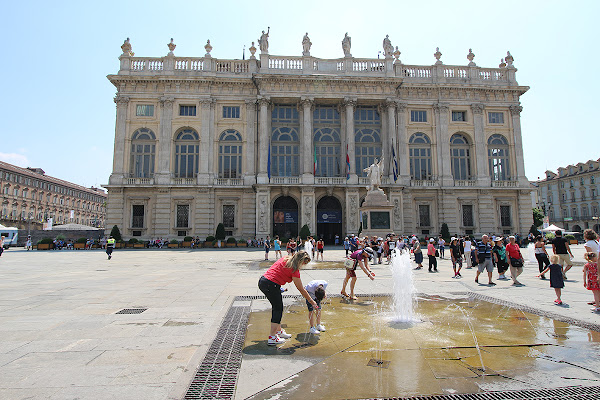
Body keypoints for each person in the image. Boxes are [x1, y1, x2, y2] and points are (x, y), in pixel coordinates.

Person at [258, 251, 317, 345]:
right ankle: (272, 337)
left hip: (264, 281)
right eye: (303, 263)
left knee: (277, 307)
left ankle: (279, 331)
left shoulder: (285, 258)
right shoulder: (294, 270)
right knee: (278, 309)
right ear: (300, 261)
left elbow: (276, 270)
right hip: (271, 285)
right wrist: (312, 301)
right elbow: (301, 289)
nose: (303, 266)